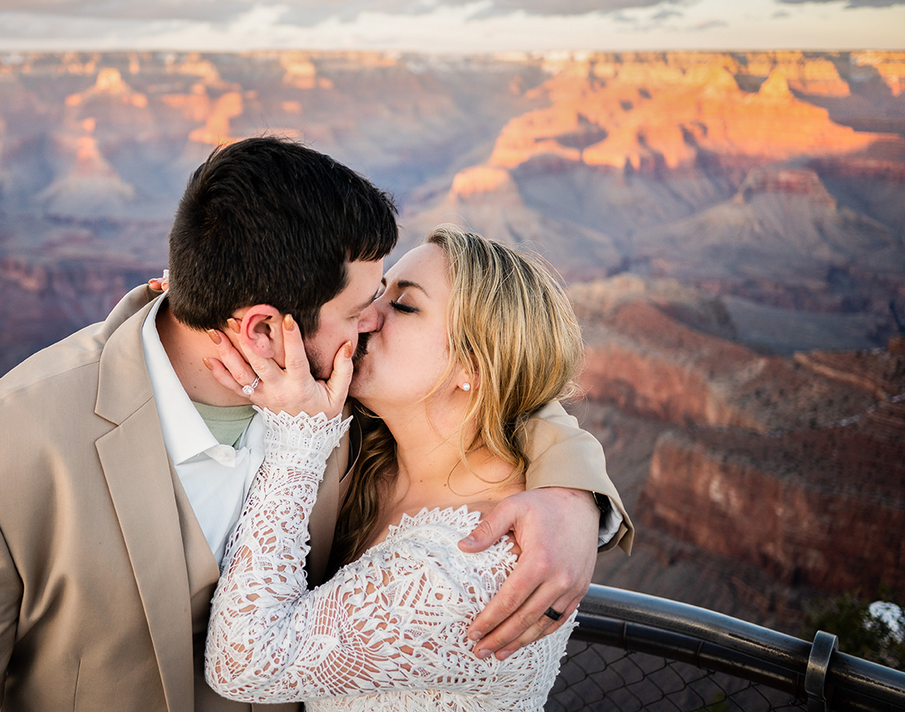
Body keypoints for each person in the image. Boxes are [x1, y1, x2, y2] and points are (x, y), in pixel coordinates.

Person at [0, 137, 632, 712]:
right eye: (368, 304)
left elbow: (499, 395)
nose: (371, 324)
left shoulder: (350, 405)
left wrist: (573, 495)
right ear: (266, 329)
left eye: (392, 302)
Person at [204, 226, 609, 710]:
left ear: (473, 366)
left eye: (404, 306)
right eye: (378, 293)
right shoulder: (374, 450)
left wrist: (297, 440)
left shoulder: (472, 566)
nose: (367, 316)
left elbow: (242, 665)